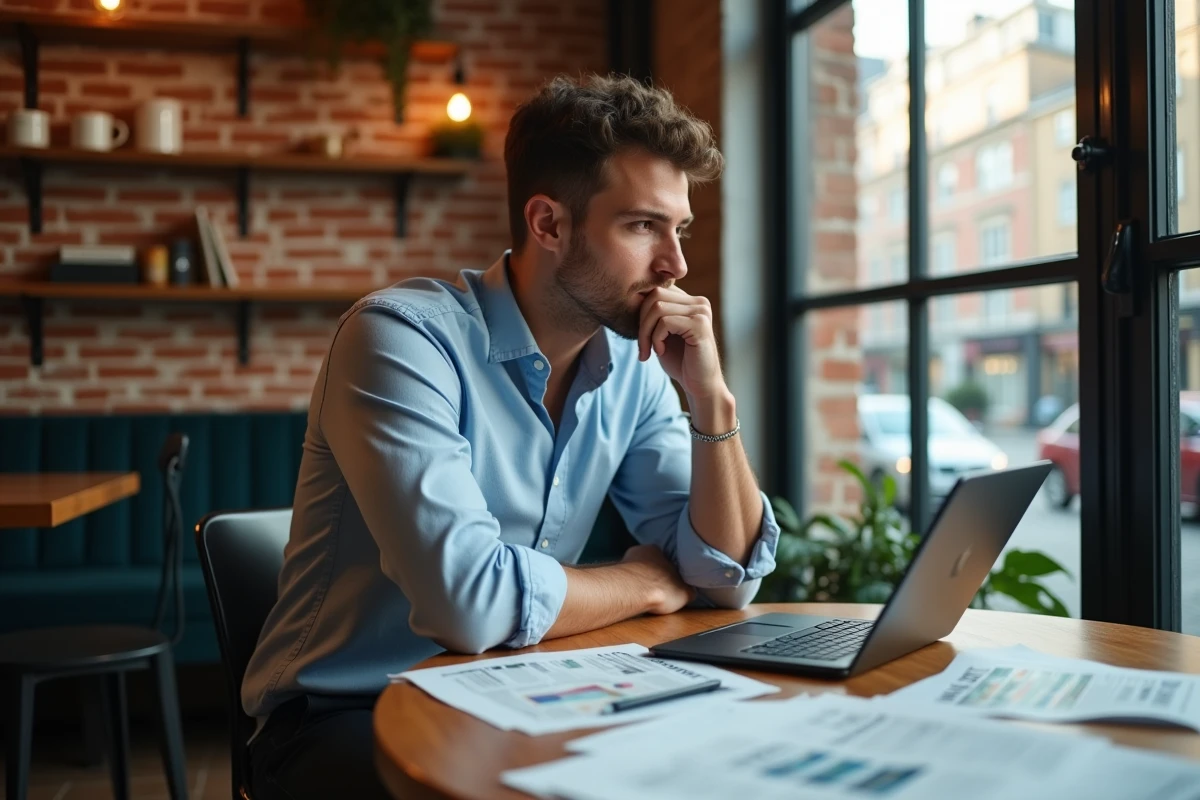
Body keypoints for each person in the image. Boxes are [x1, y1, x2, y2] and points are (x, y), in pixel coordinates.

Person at [242, 72, 780, 800]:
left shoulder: (636, 369)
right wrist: (645, 581)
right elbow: (468, 604)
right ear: (548, 224)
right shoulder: (401, 340)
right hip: (346, 713)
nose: (676, 265)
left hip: (521, 690)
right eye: (641, 226)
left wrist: (711, 402)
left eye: (677, 229)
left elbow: (725, 579)